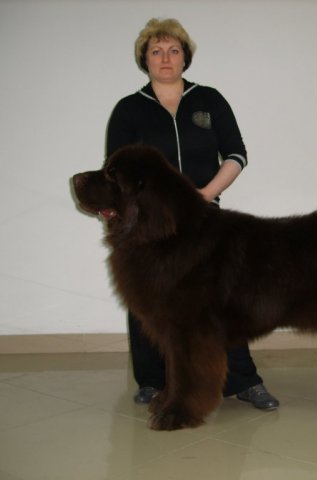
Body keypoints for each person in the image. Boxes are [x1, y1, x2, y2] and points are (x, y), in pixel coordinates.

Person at [106, 17, 279, 410]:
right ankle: (152, 380)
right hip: (148, 230)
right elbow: (114, 173)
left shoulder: (210, 100)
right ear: (144, 59)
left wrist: (206, 195)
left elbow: (237, 154)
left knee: (222, 303)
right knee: (150, 303)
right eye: (156, 51)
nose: (165, 58)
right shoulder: (129, 110)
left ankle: (243, 381)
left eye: (173, 50)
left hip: (205, 222)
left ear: (185, 57)